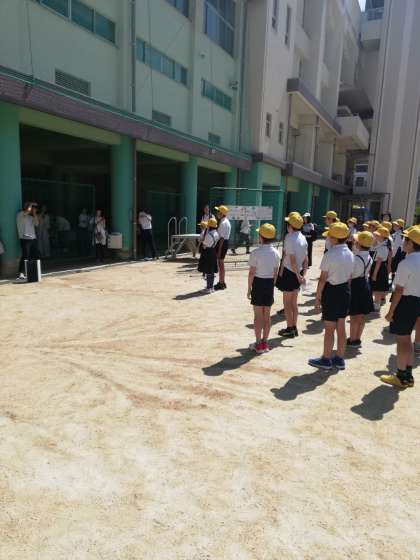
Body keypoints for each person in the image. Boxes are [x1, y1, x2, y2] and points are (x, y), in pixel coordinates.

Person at [308, 222, 354, 370]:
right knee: (341, 325)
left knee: (329, 328)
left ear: (334, 238)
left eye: (329, 236)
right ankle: (339, 358)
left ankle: (326, 358)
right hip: (344, 290)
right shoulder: (350, 254)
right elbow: (350, 277)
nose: (328, 238)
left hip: (332, 291)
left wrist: (318, 297)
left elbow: (323, 279)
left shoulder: (330, 254)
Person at [380, 226, 420, 388]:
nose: (403, 242)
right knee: (407, 339)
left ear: (411, 243)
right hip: (417, 301)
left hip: (407, 302)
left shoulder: (406, 263)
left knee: (402, 340)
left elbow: (399, 290)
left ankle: (401, 375)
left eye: (405, 239)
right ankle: (407, 375)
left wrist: (391, 312)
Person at [248, 223, 281, 354]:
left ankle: (258, 343)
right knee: (267, 315)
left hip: (258, 283)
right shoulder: (276, 253)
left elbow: (252, 273)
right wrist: (272, 285)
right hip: (269, 284)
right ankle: (264, 342)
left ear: (261, 237)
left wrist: (249, 288)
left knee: (258, 316)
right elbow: (275, 273)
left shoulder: (255, 253)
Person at [276, 211, 308, 338]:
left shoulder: (289, 238)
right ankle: (294, 327)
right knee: (294, 303)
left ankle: (290, 328)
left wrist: (297, 276)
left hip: (290, 273)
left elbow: (292, 260)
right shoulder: (303, 237)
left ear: (290, 226)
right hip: (298, 271)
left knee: (287, 303)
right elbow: (306, 259)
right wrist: (302, 275)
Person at [347, 231, 374, 348]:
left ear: (359, 244)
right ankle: (357, 338)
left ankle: (352, 339)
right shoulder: (369, 256)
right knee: (361, 316)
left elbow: (350, 276)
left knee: (354, 316)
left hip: (356, 286)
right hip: (364, 285)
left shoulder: (356, 258)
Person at [16, 202, 39, 280]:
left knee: (34, 255)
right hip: (25, 239)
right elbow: (27, 212)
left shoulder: (30, 217)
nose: (32, 209)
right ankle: (21, 273)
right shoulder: (20, 214)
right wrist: (31, 205)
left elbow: (36, 224)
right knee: (25, 255)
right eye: (31, 207)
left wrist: (34, 213)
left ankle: (32, 272)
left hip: (33, 238)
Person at [370, 226, 391, 311]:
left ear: (382, 237)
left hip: (379, 268)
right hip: (379, 267)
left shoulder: (383, 247)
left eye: (378, 235)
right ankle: (376, 304)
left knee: (377, 288)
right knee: (376, 287)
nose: (376, 236)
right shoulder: (381, 245)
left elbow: (379, 261)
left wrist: (374, 274)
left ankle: (376, 305)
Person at [197, 217, 219, 293]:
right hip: (213, 251)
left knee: (208, 271)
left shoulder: (208, 235)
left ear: (210, 226)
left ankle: (208, 288)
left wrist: (203, 241)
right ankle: (211, 287)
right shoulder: (216, 233)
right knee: (211, 270)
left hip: (208, 253)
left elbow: (204, 245)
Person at [214, 205, 231, 291]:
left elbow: (222, 238)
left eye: (218, 212)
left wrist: (219, 250)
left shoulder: (224, 223)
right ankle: (222, 282)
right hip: (223, 243)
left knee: (220, 263)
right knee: (221, 263)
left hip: (222, 244)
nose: (217, 213)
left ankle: (221, 283)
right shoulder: (224, 221)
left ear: (222, 213)